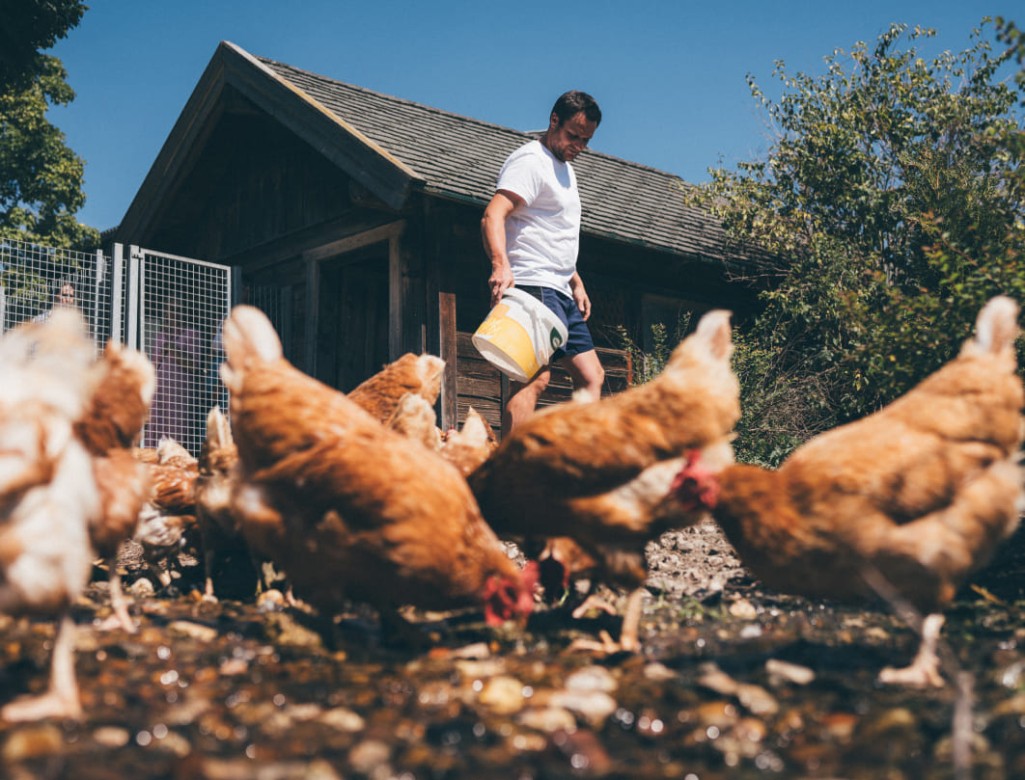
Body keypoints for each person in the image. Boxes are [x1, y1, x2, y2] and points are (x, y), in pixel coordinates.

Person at [480, 90, 605, 432]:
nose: (578, 146)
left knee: (592, 377)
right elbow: (493, 215)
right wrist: (500, 264)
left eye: (586, 140)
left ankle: (577, 465)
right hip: (533, 283)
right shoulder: (530, 161)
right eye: (573, 136)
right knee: (534, 379)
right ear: (554, 121)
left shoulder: (565, 169)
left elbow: (552, 232)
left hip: (560, 289)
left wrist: (576, 282)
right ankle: (513, 473)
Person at [148, 297, 201, 446]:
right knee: (156, 430)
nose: (173, 314)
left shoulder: (192, 334)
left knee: (176, 430)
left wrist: (173, 348)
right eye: (170, 310)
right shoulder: (160, 336)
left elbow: (193, 365)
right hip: (159, 392)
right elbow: (154, 366)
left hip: (179, 393)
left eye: (178, 310)